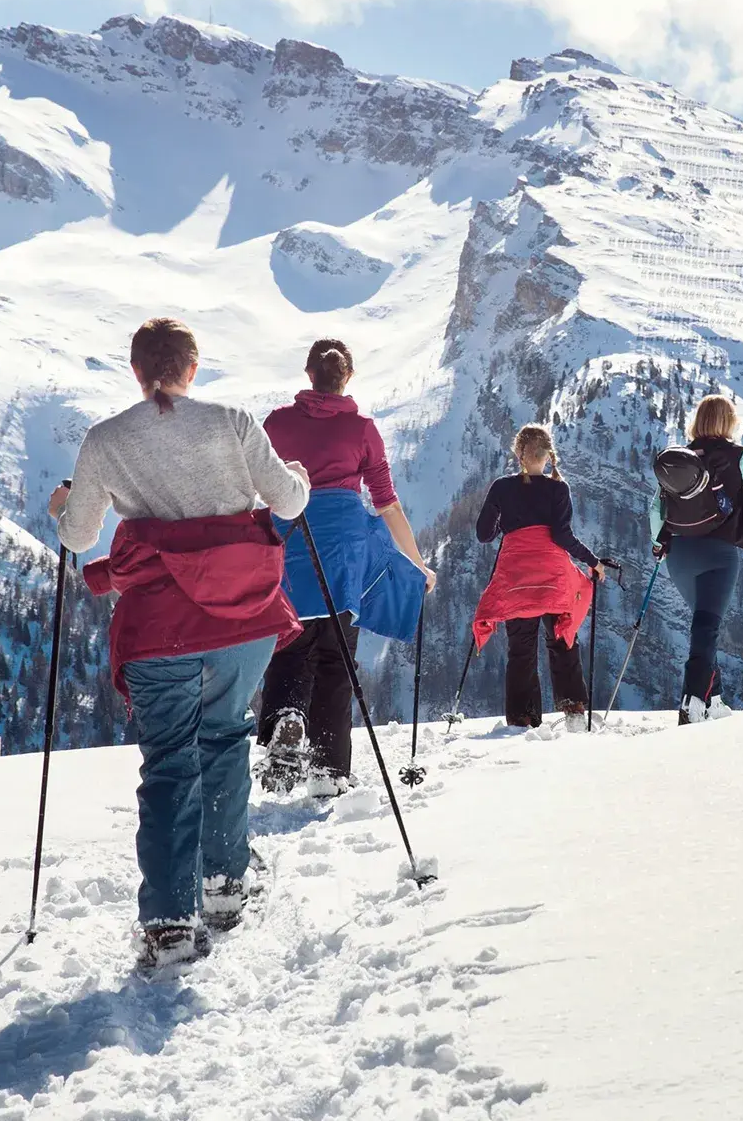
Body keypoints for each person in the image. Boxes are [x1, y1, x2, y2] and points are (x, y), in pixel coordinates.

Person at [50, 318, 311, 972]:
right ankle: (224, 884)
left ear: (138, 372)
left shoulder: (106, 440)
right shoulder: (233, 421)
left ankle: (170, 922)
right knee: (224, 737)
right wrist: (297, 477)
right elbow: (288, 503)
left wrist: (62, 507)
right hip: (243, 620)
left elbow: (80, 539)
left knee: (170, 763)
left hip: (160, 626)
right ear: (192, 369)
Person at [255, 339, 431, 794]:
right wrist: (416, 565)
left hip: (291, 540)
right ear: (347, 377)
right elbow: (387, 504)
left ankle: (286, 718)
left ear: (308, 374)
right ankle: (330, 773)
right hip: (346, 556)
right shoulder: (362, 430)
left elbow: (255, 487)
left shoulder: (276, 424)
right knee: (337, 660)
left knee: (290, 645)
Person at [650, 394, 743, 724]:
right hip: (720, 555)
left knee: (704, 624)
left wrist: (656, 545)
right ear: (729, 422)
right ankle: (692, 702)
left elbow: (655, 509)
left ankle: (713, 700)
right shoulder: (740, 456)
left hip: (679, 555)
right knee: (707, 626)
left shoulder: (679, 458)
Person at [471, 424, 606, 728]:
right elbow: (562, 536)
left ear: (518, 453)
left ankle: (522, 718)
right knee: (561, 637)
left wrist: (502, 523)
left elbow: (484, 535)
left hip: (517, 578)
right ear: (548, 455)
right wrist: (593, 561)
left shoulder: (502, 487)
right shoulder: (558, 488)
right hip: (553, 576)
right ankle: (572, 707)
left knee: (521, 646)